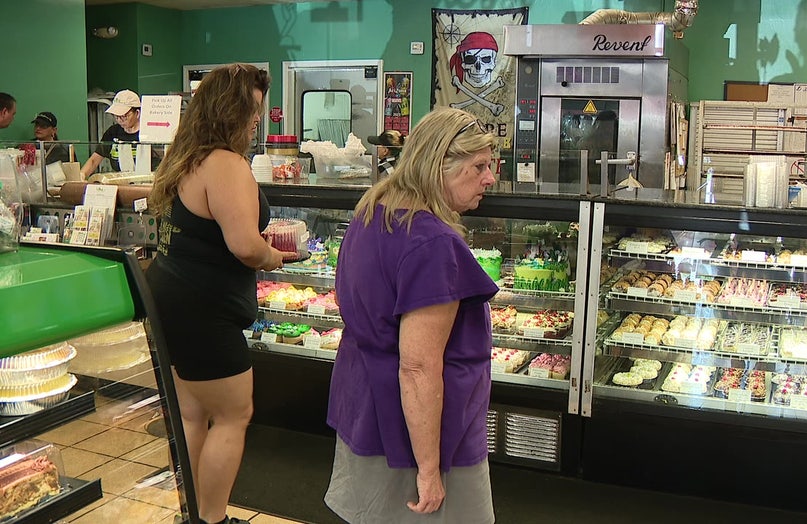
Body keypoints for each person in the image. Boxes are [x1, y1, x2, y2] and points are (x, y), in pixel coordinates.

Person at [325, 107, 498, 523]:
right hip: (416, 435)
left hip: (366, 407)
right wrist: (428, 469)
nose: (490, 179)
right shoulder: (432, 244)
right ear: (439, 163)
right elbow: (418, 367)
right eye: (479, 167)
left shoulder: (372, 210)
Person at [145, 64, 290, 524]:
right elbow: (244, 245)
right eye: (253, 112)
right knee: (233, 414)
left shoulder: (184, 156)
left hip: (172, 300)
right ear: (231, 111)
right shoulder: (225, 164)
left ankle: (192, 514)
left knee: (192, 415)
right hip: (206, 312)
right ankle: (212, 519)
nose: (256, 122)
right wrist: (273, 257)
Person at [80, 89, 158, 178]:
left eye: (124, 116)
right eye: (116, 116)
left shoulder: (150, 132)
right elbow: (94, 161)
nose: (119, 120)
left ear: (137, 113)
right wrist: (82, 175)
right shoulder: (112, 133)